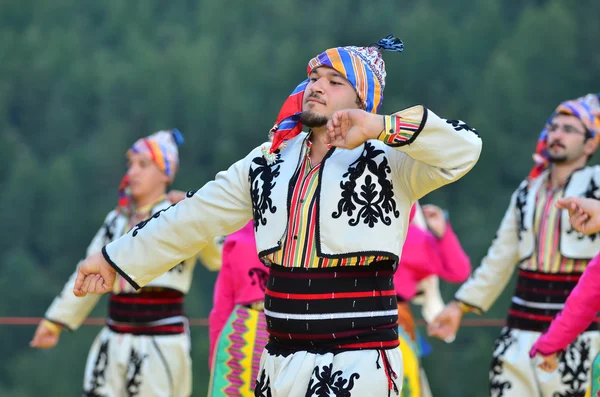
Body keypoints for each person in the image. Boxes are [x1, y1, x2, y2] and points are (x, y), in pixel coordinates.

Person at [71, 35, 482, 397]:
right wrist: (114, 259)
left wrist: (379, 126)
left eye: (334, 81)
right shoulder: (269, 160)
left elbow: (465, 148)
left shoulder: (394, 161)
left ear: (362, 100)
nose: (317, 86)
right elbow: (194, 215)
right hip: (278, 362)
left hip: (360, 364)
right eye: (315, 77)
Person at [428, 92, 600, 396]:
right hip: (519, 331)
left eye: (569, 129)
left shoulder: (597, 183)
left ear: (590, 143)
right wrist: (459, 305)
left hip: (581, 335)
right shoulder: (527, 191)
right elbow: (500, 257)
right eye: (554, 127)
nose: (557, 134)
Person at [30, 130, 221, 397]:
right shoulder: (116, 220)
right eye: (130, 164)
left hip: (160, 343)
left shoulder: (181, 214)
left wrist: (198, 212)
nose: (133, 172)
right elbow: (86, 272)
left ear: (167, 173)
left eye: (143, 164)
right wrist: (55, 320)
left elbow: (217, 259)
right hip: (113, 339)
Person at [394, 202, 471, 397]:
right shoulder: (410, 236)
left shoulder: (409, 237)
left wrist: (442, 231)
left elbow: (458, 270)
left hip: (391, 324)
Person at [207, 220, 269, 397]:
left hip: (250, 333)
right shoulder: (236, 231)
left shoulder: (238, 233)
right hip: (243, 339)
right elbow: (223, 302)